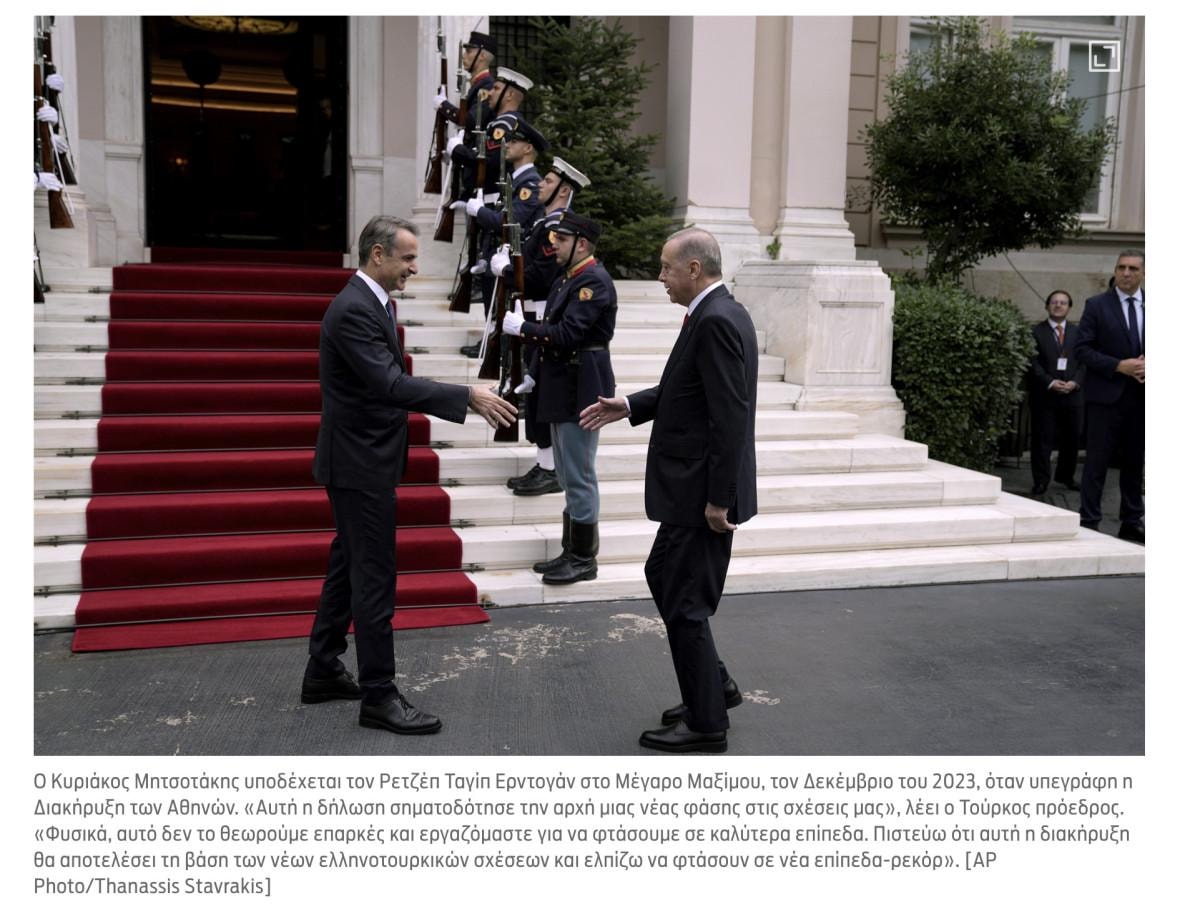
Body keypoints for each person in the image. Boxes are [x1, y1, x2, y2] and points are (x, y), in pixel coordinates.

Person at [302, 216, 518, 735]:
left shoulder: (374, 302)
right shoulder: (354, 309)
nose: (414, 269)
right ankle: (379, 695)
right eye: (408, 258)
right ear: (378, 254)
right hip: (358, 464)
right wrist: (465, 395)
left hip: (365, 460)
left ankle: (323, 668)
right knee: (373, 577)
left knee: (348, 565)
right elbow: (390, 384)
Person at [580, 228, 757, 753]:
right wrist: (630, 405)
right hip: (691, 491)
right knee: (664, 577)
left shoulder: (717, 319)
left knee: (685, 602)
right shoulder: (715, 312)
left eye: (665, 267)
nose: (661, 277)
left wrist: (720, 498)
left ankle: (706, 724)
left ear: (694, 269)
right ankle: (714, 688)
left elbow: (729, 415)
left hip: (701, 494)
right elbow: (688, 388)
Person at [502, 212, 616, 585]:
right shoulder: (568, 278)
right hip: (562, 381)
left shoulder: (592, 282)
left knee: (579, 475)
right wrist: (533, 372)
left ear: (581, 244)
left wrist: (523, 329)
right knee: (567, 474)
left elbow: (567, 333)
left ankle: (584, 558)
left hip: (581, 386)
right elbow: (554, 328)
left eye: (561, 240)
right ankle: (571, 551)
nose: (554, 246)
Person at [495, 156, 591, 497]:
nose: (540, 185)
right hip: (532, 317)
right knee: (535, 394)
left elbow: (539, 277)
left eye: (548, 182)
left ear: (563, 190)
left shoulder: (556, 230)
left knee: (540, 395)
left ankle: (549, 469)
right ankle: (545, 464)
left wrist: (506, 270)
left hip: (539, 319)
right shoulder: (545, 224)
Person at [1075, 250, 1145, 543]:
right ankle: (1089, 521)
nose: (1126, 273)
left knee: (1135, 464)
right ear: (1115, 271)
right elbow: (1082, 350)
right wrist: (1119, 366)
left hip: (1142, 399)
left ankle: (1131, 521)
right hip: (1105, 398)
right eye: (1121, 267)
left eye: (1133, 268)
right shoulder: (1096, 305)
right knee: (1096, 464)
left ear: (1143, 273)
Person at [1027, 290, 1085, 495]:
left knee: (1072, 438)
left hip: (1073, 394)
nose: (1058, 305)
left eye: (1063, 302)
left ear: (1069, 307)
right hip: (1045, 395)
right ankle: (1041, 480)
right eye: (1054, 302)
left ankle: (1066, 476)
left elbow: (1085, 361)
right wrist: (1050, 382)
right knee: (1042, 439)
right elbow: (1032, 363)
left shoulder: (1079, 333)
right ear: (1047, 306)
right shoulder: (1035, 332)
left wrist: (1075, 382)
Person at [434, 31, 495, 135]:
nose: (463, 56)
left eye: (468, 51)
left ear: (482, 56)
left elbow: (471, 120)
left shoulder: (487, 85)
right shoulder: (478, 83)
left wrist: (444, 106)